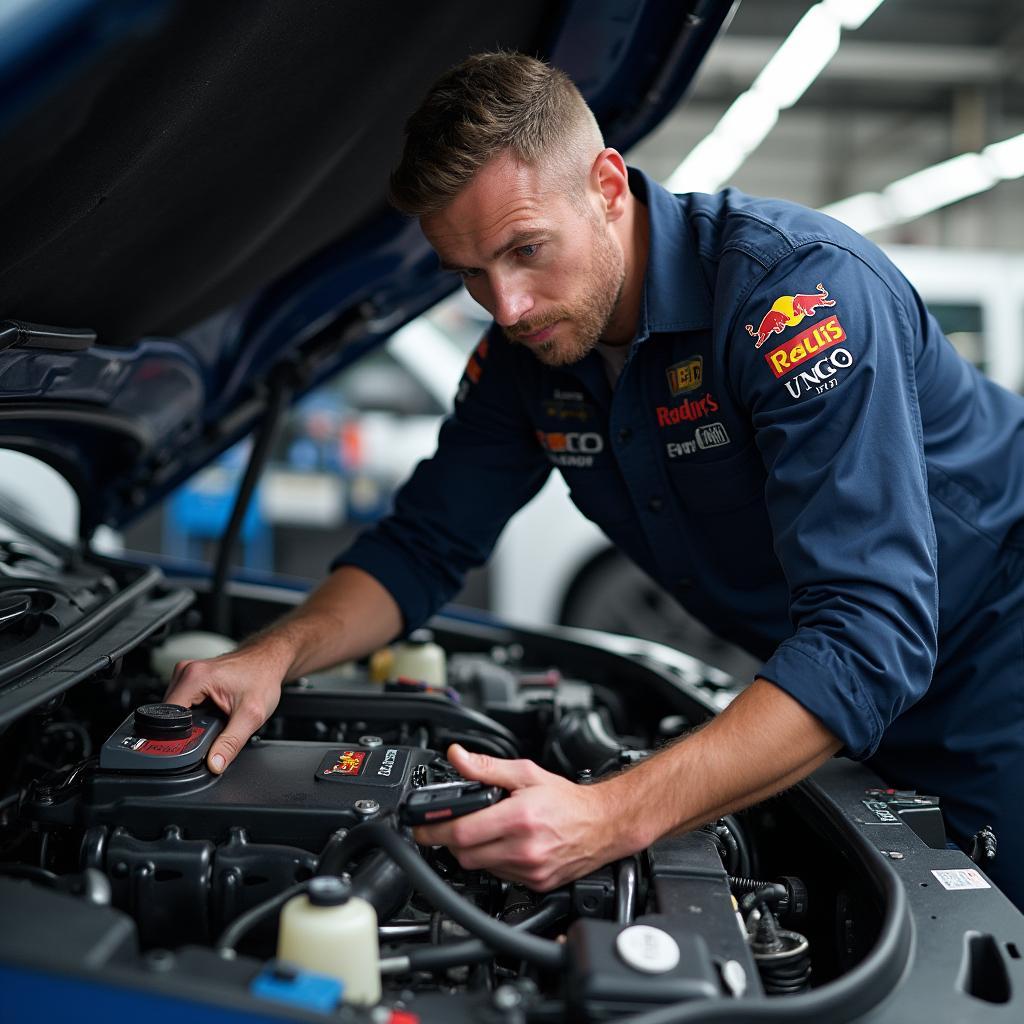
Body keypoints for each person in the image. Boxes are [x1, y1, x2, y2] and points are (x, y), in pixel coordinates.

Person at [167, 52, 1024, 907]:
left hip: (994, 675)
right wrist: (271, 655)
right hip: (845, 701)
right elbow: (420, 547)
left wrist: (607, 816)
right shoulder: (527, 358)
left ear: (608, 185)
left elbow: (868, 634)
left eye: (525, 250)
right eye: (470, 272)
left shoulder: (794, 300)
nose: (506, 306)